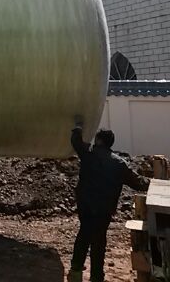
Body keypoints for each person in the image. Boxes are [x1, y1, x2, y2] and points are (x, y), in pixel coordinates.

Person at [68, 115, 149, 282]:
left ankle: (75, 273)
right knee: (99, 243)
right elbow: (138, 183)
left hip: (86, 207)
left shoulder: (88, 154)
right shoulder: (120, 164)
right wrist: (154, 181)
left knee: (83, 236)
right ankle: (96, 277)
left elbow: (76, 142)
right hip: (104, 210)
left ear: (98, 140)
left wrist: (78, 126)